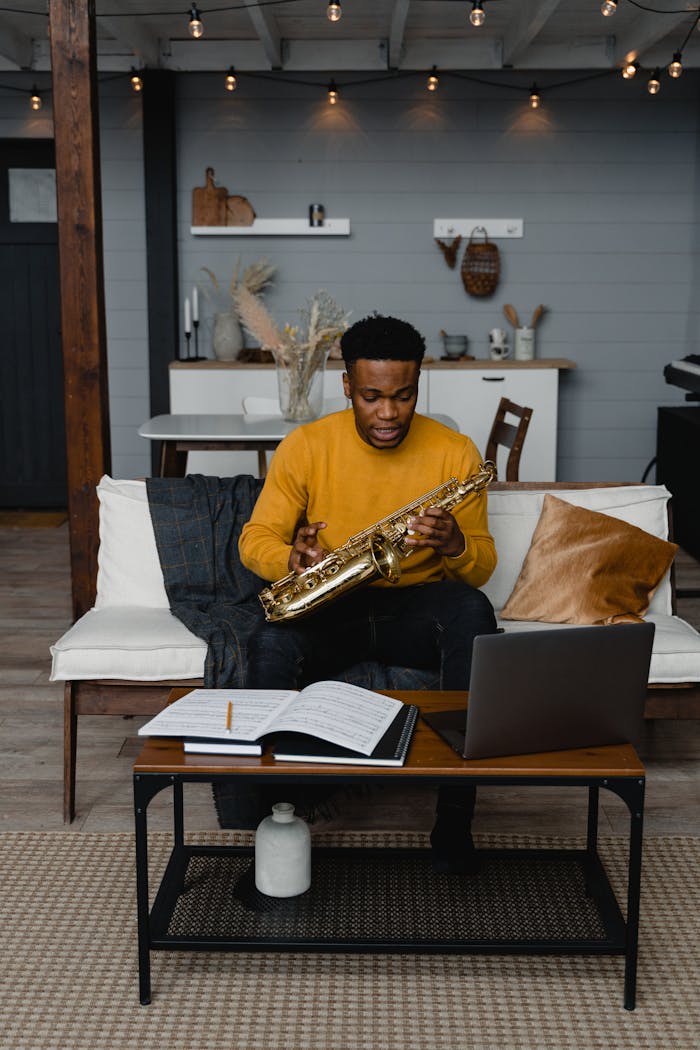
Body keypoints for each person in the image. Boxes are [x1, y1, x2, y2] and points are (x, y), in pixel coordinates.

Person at [239, 313, 498, 871]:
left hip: (415, 607)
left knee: (472, 610)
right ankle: (275, 815)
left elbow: (480, 568)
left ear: (418, 386)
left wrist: (455, 544)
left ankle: (455, 818)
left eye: (403, 397)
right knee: (268, 640)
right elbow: (254, 539)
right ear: (348, 388)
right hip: (334, 603)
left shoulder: (455, 453)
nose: (388, 414)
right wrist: (291, 556)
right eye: (372, 397)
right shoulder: (306, 445)